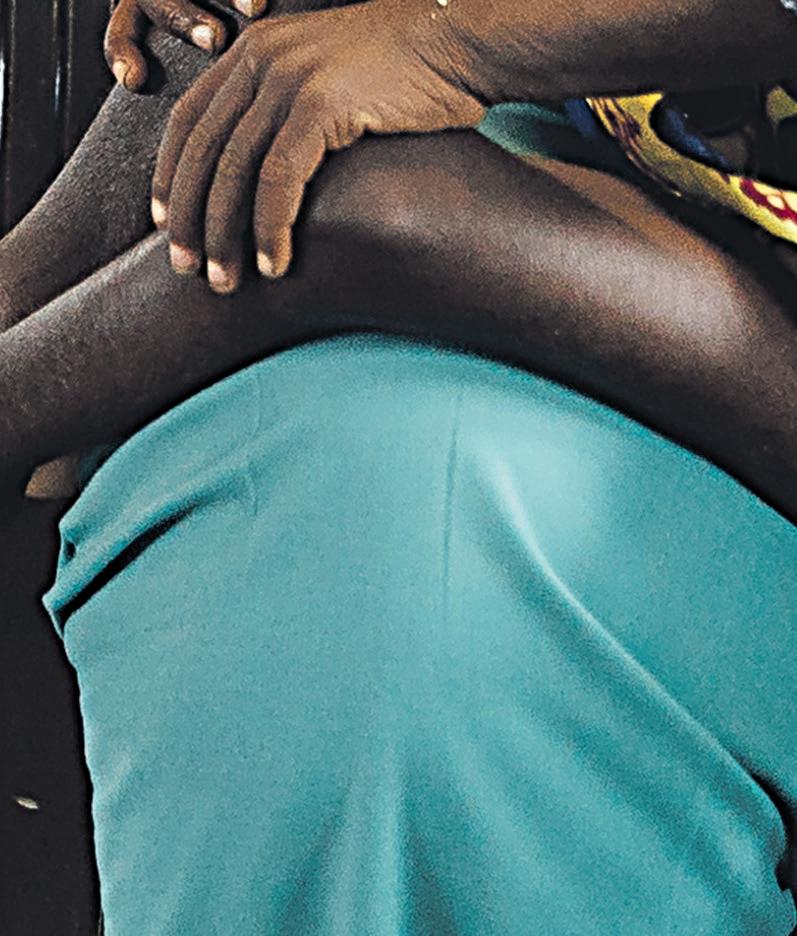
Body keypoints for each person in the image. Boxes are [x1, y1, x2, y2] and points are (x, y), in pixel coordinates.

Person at [1, 0, 796, 931]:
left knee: (336, 194)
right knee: (258, 59)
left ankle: (22, 397)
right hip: (675, 173)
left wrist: (446, 42)